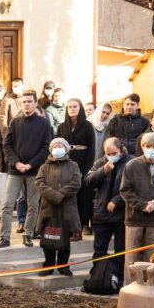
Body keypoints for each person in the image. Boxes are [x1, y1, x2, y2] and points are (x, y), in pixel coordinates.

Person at [0, 90, 53, 248]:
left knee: (33, 205)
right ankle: (4, 237)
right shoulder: (15, 122)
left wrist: (30, 164)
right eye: (24, 102)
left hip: (34, 171)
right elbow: (7, 145)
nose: (26, 104)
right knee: (8, 204)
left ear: (36, 103)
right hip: (15, 171)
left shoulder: (43, 123)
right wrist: (16, 163)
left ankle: (28, 234)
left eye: (29, 101)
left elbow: (45, 148)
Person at [119, 132, 154, 280]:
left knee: (153, 258)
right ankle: (130, 289)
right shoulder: (132, 165)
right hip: (134, 218)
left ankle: (151, 289)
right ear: (142, 147)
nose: (151, 149)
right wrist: (142, 205)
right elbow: (125, 190)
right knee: (131, 258)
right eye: (148, 146)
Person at [34, 138, 82, 276]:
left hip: (67, 208)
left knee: (65, 240)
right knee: (48, 238)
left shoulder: (73, 165)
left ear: (66, 149)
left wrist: (60, 195)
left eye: (60, 146)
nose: (57, 148)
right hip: (48, 208)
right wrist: (54, 196)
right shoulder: (44, 167)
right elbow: (39, 183)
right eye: (55, 146)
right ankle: (48, 266)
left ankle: (63, 266)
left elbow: (76, 183)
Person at [86, 137, 128, 262]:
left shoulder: (131, 162)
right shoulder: (100, 162)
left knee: (120, 251)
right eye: (108, 154)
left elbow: (135, 187)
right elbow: (88, 181)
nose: (111, 156)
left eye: (114, 153)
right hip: (102, 212)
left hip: (122, 214)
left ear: (120, 150)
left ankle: (119, 278)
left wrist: (117, 200)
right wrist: (103, 170)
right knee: (99, 250)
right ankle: (98, 277)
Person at [58, 98, 96, 237]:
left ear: (80, 108)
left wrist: (88, 169)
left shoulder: (87, 126)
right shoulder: (62, 127)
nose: (72, 109)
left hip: (83, 161)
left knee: (84, 194)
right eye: (69, 107)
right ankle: (69, 224)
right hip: (67, 162)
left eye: (75, 106)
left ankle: (84, 223)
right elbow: (57, 144)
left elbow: (92, 148)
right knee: (69, 194)